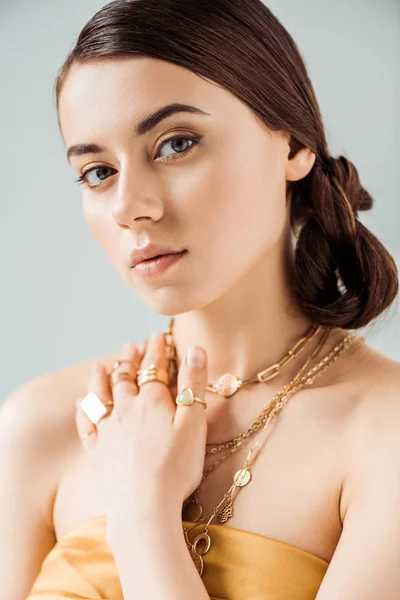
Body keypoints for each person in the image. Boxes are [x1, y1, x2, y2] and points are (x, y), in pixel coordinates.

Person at [1, 0, 399, 598]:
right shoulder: (44, 426)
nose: (130, 205)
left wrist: (142, 519)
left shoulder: (384, 435)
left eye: (176, 144)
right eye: (97, 172)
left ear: (292, 145)